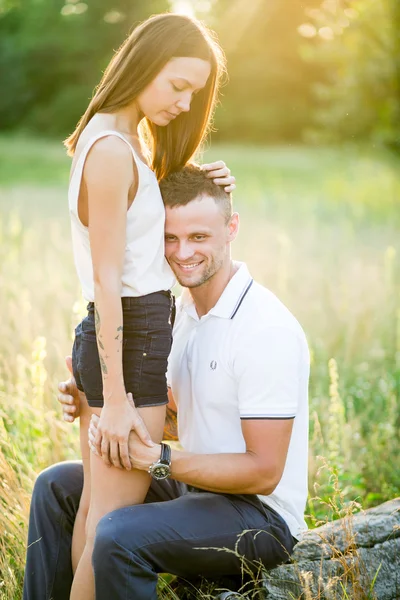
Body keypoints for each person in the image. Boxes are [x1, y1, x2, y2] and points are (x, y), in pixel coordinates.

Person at [23, 165, 310, 600]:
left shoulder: (265, 328)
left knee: (116, 533)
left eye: (198, 237)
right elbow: (180, 418)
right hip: (197, 490)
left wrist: (156, 459)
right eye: (170, 238)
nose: (182, 252)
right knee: (57, 487)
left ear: (232, 228)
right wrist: (93, 403)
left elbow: (264, 471)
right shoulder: (181, 315)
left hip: (260, 516)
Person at [61, 12, 235, 600]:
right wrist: (114, 400)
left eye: (195, 91)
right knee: (112, 530)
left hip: (121, 340)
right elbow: (109, 282)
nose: (185, 103)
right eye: (178, 84)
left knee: (95, 515)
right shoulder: (112, 150)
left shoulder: (114, 140)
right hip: (129, 345)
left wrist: (204, 188)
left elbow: (134, 240)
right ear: (143, 64)